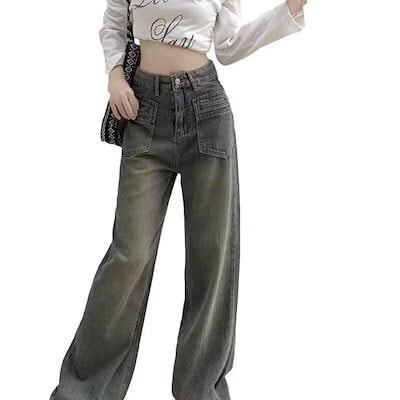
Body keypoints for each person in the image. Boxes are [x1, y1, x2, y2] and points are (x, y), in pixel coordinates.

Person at [49, 1, 307, 399]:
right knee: (129, 256)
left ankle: (200, 391)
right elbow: (114, 25)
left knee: (211, 257)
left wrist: (288, 9)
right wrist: (115, 79)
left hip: (206, 110)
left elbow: (229, 45)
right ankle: (80, 393)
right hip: (143, 111)